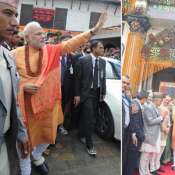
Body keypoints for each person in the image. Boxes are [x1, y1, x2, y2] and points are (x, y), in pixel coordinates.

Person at [11, 12, 107, 175]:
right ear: (27, 37)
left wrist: (93, 31)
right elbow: (8, 82)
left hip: (49, 106)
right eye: (38, 34)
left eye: (43, 33)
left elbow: (71, 43)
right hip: (27, 110)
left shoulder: (52, 51)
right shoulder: (14, 55)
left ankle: (37, 155)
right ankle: (26, 169)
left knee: (48, 137)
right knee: (25, 142)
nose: (42, 36)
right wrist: (23, 87)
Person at [0, 1, 29, 175]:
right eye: (8, 13)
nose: (15, 22)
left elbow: (14, 103)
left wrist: (21, 133)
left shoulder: (8, 57)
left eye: (16, 15)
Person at [74, 40, 106, 156]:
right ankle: (90, 144)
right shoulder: (83, 60)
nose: (103, 50)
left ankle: (81, 134)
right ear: (93, 49)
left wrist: (103, 92)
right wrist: (77, 94)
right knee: (89, 118)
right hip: (86, 93)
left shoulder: (102, 62)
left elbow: (103, 78)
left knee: (88, 116)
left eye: (103, 48)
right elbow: (77, 79)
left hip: (97, 93)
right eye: (101, 48)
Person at [139, 92, 167, 175]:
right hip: (149, 135)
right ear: (156, 100)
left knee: (149, 155)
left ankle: (147, 171)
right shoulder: (148, 107)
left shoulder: (155, 108)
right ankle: (142, 172)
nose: (161, 102)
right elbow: (150, 122)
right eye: (161, 100)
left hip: (154, 135)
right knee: (145, 156)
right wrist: (161, 116)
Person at [123, 91, 147, 175]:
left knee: (131, 159)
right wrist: (142, 136)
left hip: (134, 136)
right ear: (143, 99)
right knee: (131, 159)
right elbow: (135, 123)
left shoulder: (135, 103)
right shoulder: (136, 104)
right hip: (135, 138)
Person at [122, 75, 131, 171]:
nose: (125, 85)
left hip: (127, 130)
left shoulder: (127, 97)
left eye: (127, 84)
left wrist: (129, 99)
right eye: (123, 82)